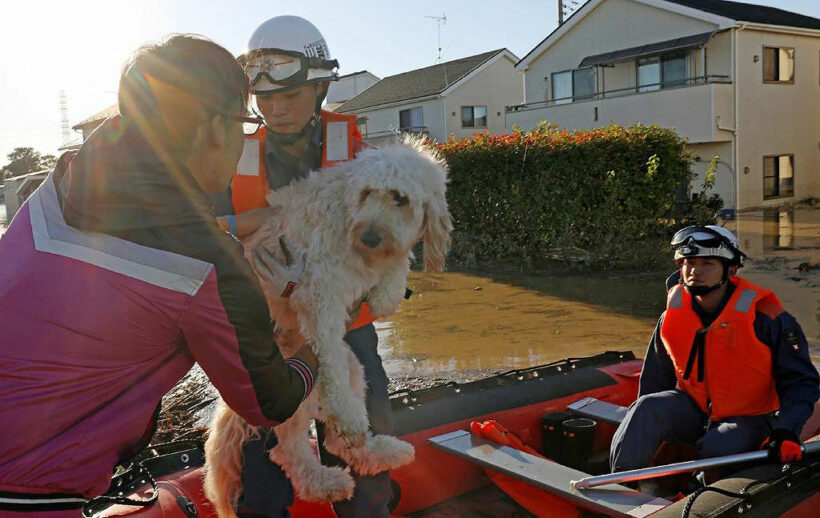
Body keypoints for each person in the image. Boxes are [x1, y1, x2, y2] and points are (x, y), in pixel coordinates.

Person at [0, 35, 317, 517]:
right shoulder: (210, 266)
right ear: (215, 128)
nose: (243, 142)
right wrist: (315, 351)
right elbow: (267, 402)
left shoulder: (60, 179)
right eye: (244, 122)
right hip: (26, 496)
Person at [209, 15, 395, 518]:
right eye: (265, 100)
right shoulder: (229, 156)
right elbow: (199, 227)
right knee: (263, 483)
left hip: (347, 333)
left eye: (289, 95)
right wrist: (242, 224)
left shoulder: (362, 157)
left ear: (320, 87)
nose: (278, 108)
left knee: (365, 468)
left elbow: (387, 250)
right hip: (267, 337)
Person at [610, 225, 819, 476]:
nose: (694, 271)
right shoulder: (672, 316)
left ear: (730, 269)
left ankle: (698, 497)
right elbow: (656, 377)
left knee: (718, 444)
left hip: (752, 417)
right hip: (696, 408)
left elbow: (802, 382)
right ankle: (620, 483)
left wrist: (786, 430)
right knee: (646, 408)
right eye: (687, 263)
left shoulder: (767, 318)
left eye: (707, 263)